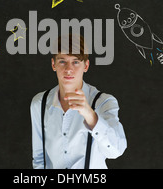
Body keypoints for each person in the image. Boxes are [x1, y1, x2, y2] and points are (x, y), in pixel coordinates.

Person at [30, 34, 127, 169]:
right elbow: (39, 158)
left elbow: (116, 151)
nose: (69, 69)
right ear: (53, 64)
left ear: (86, 65)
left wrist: (90, 115)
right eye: (62, 61)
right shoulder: (39, 104)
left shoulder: (103, 102)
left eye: (76, 62)